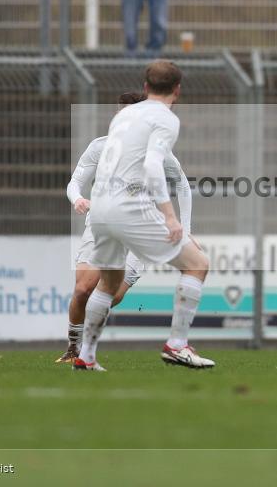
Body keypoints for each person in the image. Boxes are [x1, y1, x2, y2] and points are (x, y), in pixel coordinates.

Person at [84, 60, 213, 370]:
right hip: (129, 205)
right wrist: (170, 216)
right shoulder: (165, 118)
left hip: (100, 205)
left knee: (108, 282)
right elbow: (154, 166)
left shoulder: (124, 115)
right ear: (177, 90)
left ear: (145, 87)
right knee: (198, 264)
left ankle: (85, 355)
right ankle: (177, 345)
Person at [58, 91, 194, 367]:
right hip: (104, 223)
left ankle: (87, 351)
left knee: (113, 294)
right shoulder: (100, 147)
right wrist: (79, 198)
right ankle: (75, 347)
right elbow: (75, 181)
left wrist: (184, 227)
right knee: (83, 288)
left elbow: (182, 184)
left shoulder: (158, 153)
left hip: (139, 227)